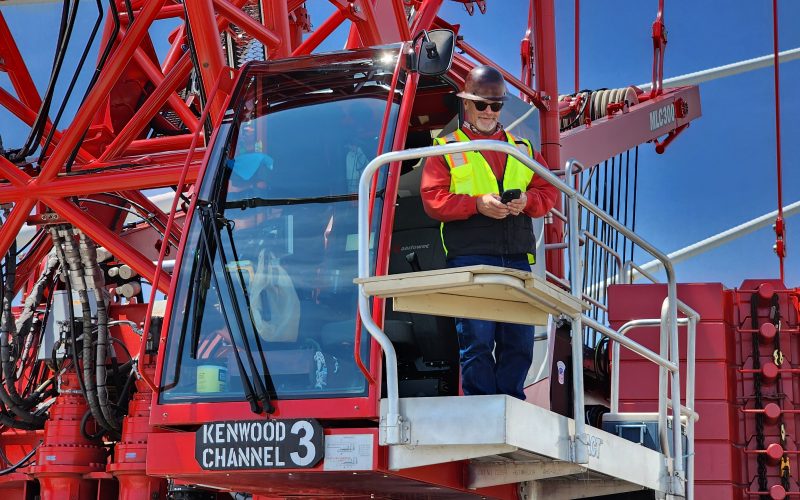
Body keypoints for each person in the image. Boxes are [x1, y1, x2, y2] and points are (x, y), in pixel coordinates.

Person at [420, 65, 559, 400]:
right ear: (465, 103)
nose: (487, 112)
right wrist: (477, 204)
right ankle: (482, 407)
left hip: (516, 259)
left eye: (494, 106)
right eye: (480, 104)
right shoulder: (445, 148)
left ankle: (512, 404)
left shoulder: (523, 149)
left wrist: (526, 201)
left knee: (519, 339)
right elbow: (433, 200)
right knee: (477, 338)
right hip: (470, 258)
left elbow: (548, 194)